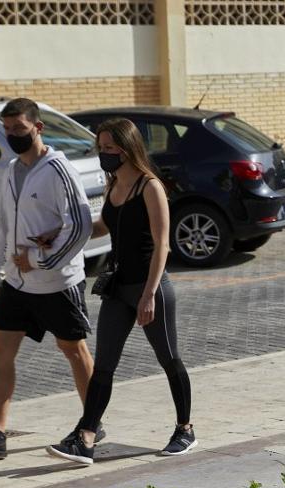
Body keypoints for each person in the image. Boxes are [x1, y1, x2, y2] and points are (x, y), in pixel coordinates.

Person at [0, 97, 98, 459]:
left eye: (19, 129)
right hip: (16, 285)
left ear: (38, 127)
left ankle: (93, 421)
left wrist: (39, 260)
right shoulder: (11, 170)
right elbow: (5, 227)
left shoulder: (59, 169)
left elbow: (79, 226)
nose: (13, 135)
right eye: (7, 130)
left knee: (73, 350)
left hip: (57, 284)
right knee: (1, 349)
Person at [47, 117, 194, 465]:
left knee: (169, 358)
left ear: (128, 149)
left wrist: (149, 294)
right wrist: (63, 234)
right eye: (101, 148)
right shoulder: (114, 184)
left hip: (150, 288)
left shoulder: (150, 186)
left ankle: (185, 428)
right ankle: (85, 435)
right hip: (118, 287)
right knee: (104, 365)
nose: (104, 154)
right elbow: (104, 225)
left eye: (111, 149)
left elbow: (162, 246)